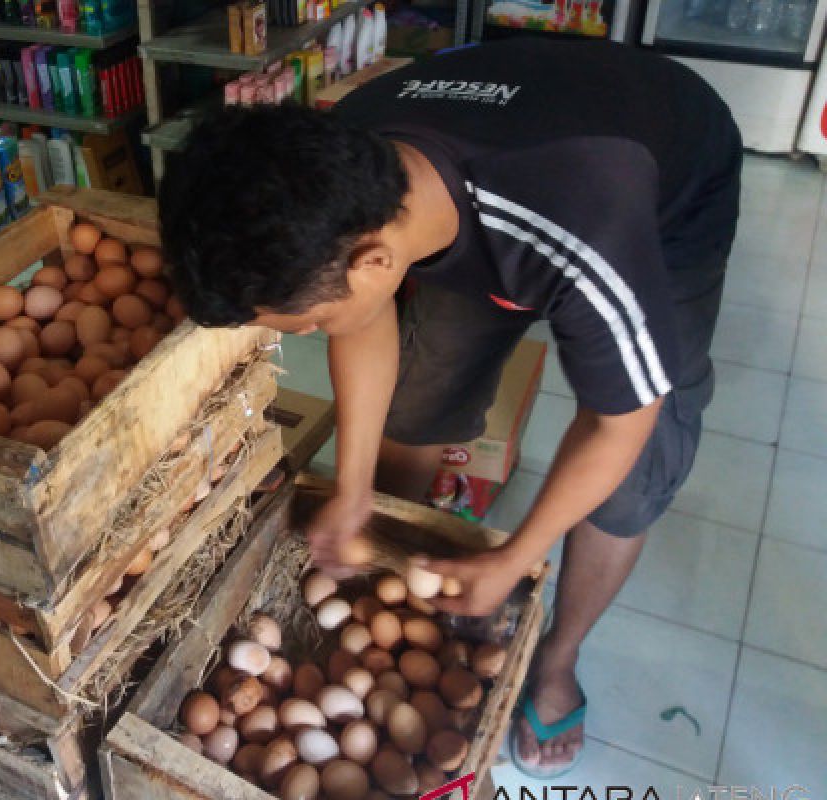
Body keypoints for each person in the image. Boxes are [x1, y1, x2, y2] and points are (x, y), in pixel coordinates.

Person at [159, 38, 741, 777]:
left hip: (668, 168)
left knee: (638, 467)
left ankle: (559, 660)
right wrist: (354, 491)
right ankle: (382, 577)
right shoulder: (350, 169)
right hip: (500, 154)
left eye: (301, 326)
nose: (303, 336)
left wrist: (517, 556)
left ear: (375, 262)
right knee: (429, 387)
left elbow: (621, 422)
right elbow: (362, 319)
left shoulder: (584, 217)